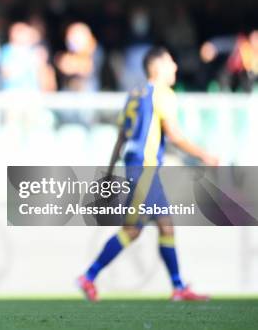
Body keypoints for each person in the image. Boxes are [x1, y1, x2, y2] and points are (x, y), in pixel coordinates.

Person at [77, 46, 218, 302]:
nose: (175, 67)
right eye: (171, 62)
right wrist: (204, 155)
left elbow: (121, 136)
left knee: (165, 225)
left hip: (137, 167)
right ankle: (89, 276)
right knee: (133, 229)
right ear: (159, 67)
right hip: (144, 169)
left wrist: (109, 172)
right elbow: (173, 134)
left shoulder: (135, 93)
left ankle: (178, 287)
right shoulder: (163, 94)